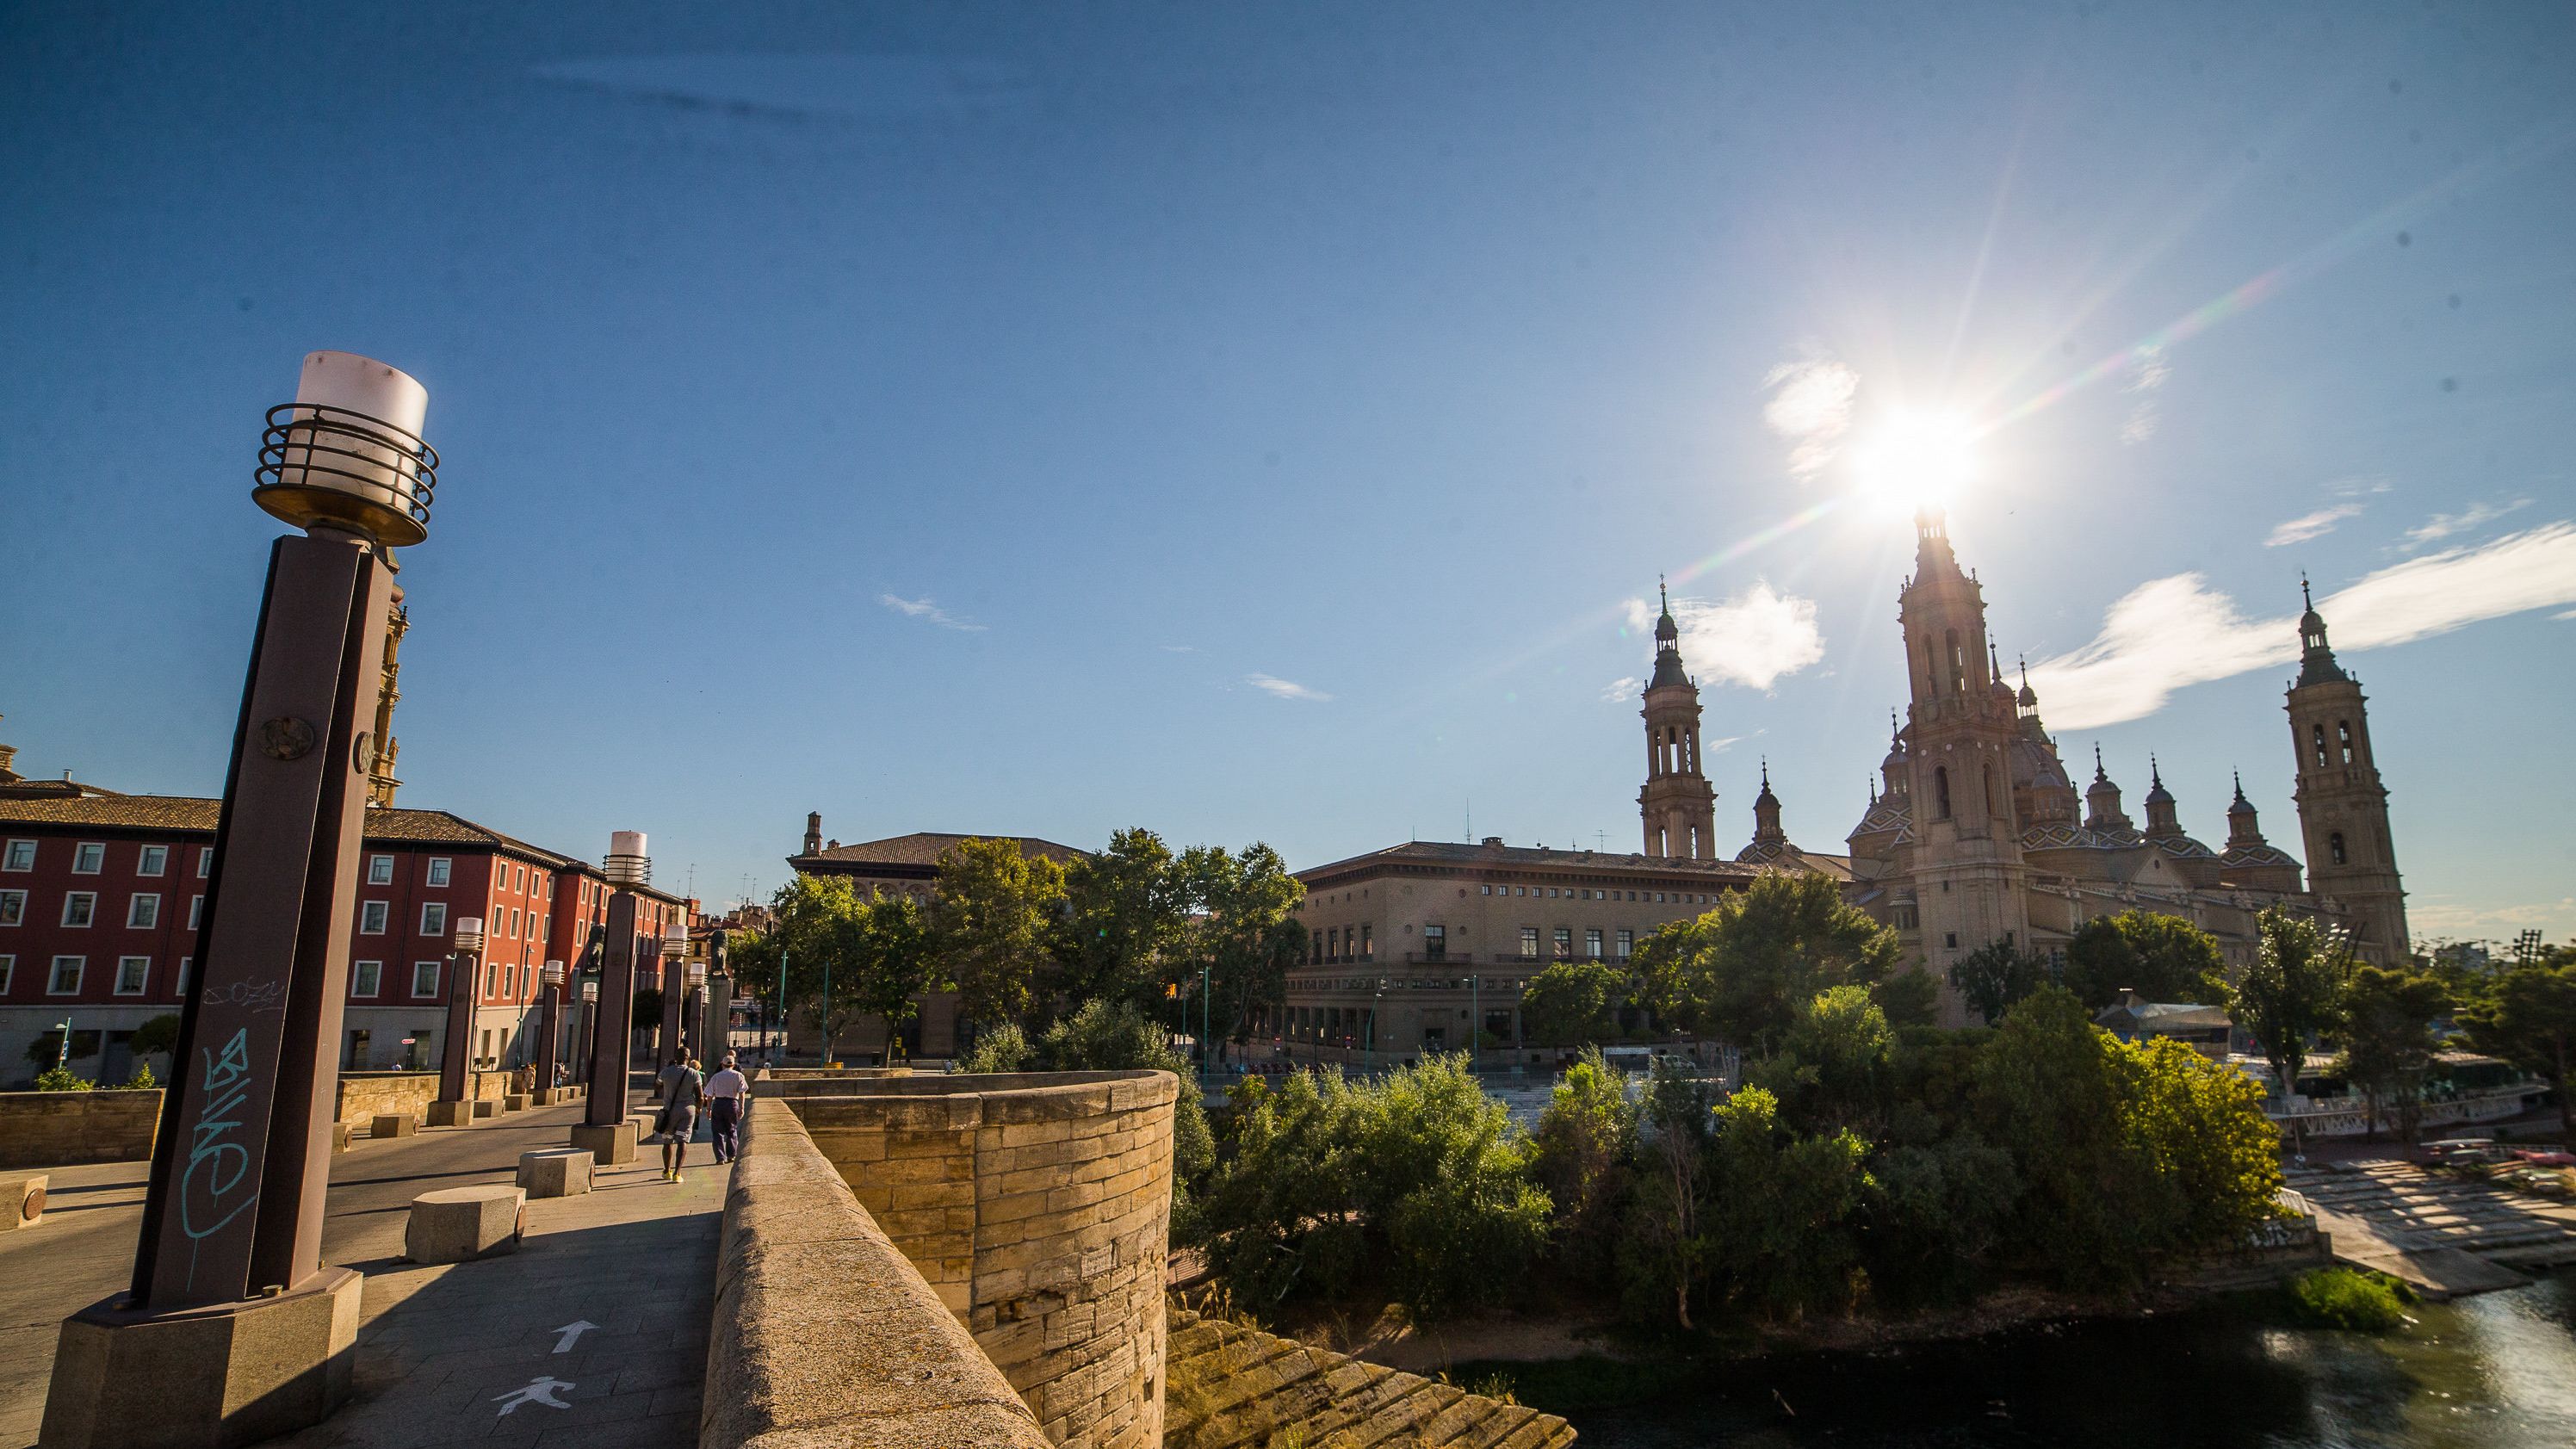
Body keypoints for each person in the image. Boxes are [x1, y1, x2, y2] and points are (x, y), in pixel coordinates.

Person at [655, 1054, 704, 1182]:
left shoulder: (666, 1072)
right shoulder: (694, 1073)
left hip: (669, 1111)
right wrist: (698, 1108)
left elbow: (656, 1086)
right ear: (688, 1059)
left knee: (667, 1141)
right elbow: (700, 1096)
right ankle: (678, 1173)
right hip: (687, 1111)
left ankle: (667, 1171)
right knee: (683, 1140)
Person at [703, 1052, 749, 1164]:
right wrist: (742, 1108)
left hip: (718, 1103)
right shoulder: (739, 1076)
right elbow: (742, 1093)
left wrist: (708, 1109)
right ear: (733, 1065)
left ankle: (720, 1157)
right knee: (732, 1130)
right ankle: (731, 1155)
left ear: (722, 1064)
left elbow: (709, 1095)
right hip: (732, 1103)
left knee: (717, 1132)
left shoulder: (716, 1076)